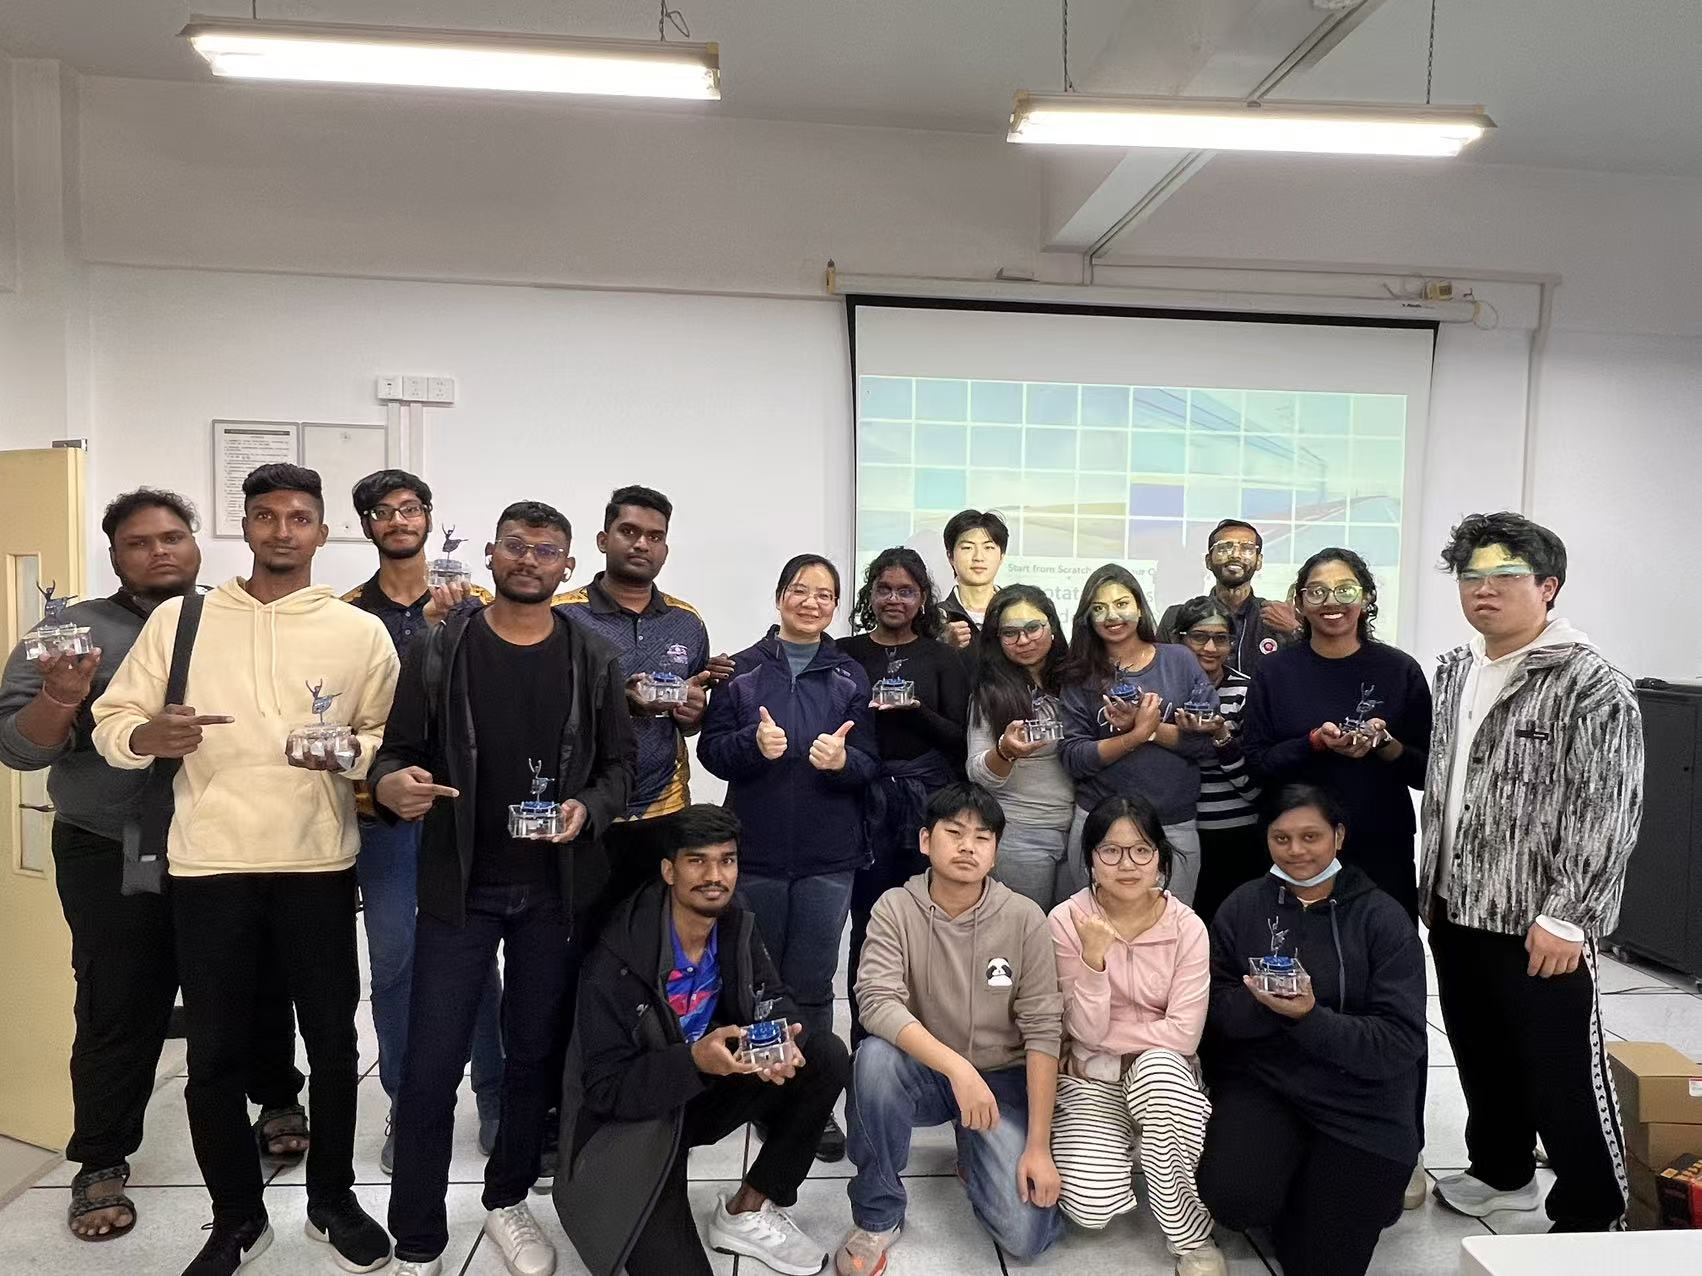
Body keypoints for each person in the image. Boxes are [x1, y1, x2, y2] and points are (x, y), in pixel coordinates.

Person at [92, 463, 398, 1276]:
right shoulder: (183, 620)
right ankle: (235, 1217)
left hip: (317, 859)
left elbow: (381, 735)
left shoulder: (358, 631)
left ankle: (333, 1200)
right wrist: (147, 737)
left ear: (322, 532)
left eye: (299, 518)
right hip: (209, 862)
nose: (282, 531)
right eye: (266, 516)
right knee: (215, 1053)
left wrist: (348, 751)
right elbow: (112, 720)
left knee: (333, 1043)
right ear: (246, 527)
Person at [0, 489, 303, 1244]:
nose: (159, 552)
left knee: (259, 979)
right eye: (138, 542)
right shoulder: (69, 633)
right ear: (114, 556)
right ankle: (101, 1158)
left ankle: (277, 1100)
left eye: (172, 537)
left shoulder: (239, 618)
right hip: (110, 846)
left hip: (232, 841)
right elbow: (20, 749)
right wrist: (63, 697)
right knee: (119, 1000)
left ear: (196, 545)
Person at [369, 499, 635, 1276]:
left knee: (533, 1057)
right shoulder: (440, 648)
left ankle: (506, 1199)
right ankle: (417, 1233)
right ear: (490, 554)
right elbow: (395, 754)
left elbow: (619, 768)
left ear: (568, 567)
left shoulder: (594, 658)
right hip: (460, 887)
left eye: (545, 551)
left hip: (554, 890)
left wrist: (589, 810)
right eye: (516, 546)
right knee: (430, 1064)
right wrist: (392, 785)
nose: (529, 559)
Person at [1421, 513, 1643, 1231]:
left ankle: (1592, 1210)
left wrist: (1568, 916)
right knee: (1480, 1052)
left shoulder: (1589, 682)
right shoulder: (1456, 669)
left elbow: (1609, 808)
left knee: (1561, 1072)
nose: (1483, 590)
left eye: (1505, 576)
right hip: (1456, 904)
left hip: (1539, 920)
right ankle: (1502, 1171)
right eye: (1471, 577)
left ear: (1548, 586)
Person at [555, 804, 851, 1276]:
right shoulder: (617, 958)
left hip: (703, 1085)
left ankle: (748, 1207)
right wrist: (693, 1061)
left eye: (726, 860)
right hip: (637, 1122)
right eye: (698, 861)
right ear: (669, 871)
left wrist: (785, 1032)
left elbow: (770, 993)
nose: (715, 876)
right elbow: (605, 1090)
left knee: (823, 1055)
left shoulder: (735, 920)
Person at [341, 468, 504, 1171]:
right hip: (386, 815)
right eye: (383, 512)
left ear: (429, 517)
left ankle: (496, 1100)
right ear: (366, 526)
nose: (399, 520)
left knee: (480, 964)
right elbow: (344, 708)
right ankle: (408, 1104)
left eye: (410, 508)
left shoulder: (481, 603)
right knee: (397, 966)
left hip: (469, 812)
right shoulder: (348, 615)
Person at [1197, 785, 1427, 1276]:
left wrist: (1309, 1016)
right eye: (1281, 838)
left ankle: (1328, 1195)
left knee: (1323, 1263)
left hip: (1360, 1098)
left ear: (1338, 837)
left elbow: (1400, 1041)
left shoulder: (1382, 919)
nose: (1296, 851)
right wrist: (1263, 1004)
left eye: (1311, 836)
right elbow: (1212, 1012)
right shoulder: (1243, 906)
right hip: (1267, 1083)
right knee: (1234, 1197)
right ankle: (1286, 1184)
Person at [838, 782, 1064, 1274]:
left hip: (1002, 1081)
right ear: (925, 840)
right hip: (927, 1072)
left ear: (996, 852)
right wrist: (958, 1070)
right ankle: (878, 1214)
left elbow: (1044, 1028)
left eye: (982, 837)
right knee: (873, 1059)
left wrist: (1038, 1146)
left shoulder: (1024, 917)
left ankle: (976, 1149)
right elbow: (876, 1001)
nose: (967, 847)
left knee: (1026, 1238)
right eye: (954, 833)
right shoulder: (895, 907)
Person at [699, 553, 878, 1162]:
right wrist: (752, 744)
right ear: (780, 597)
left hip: (829, 857)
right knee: (756, 984)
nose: (811, 602)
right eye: (800, 590)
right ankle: (758, 1091)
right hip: (757, 854)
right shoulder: (741, 670)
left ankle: (809, 1099)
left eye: (824, 595)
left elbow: (870, 762)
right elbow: (712, 752)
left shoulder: (850, 674)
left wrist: (843, 763)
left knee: (813, 984)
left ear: (835, 607)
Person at [1047, 795, 1223, 1276]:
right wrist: (1093, 960)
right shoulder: (1065, 921)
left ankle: (1190, 1235)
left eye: (1141, 850)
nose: (1127, 864)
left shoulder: (1187, 927)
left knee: (1160, 1073)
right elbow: (1081, 1027)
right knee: (1090, 1207)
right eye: (1110, 850)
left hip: (1159, 1071)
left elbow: (1183, 1037)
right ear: (1090, 858)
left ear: (1160, 858)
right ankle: (1132, 1141)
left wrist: (1105, 1042)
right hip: (1090, 1080)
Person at [557, 484, 734, 910]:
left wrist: (694, 713)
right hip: (583, 805)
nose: (641, 544)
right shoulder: (561, 615)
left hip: (663, 807)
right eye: (629, 531)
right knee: (578, 935)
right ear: (603, 540)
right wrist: (622, 701)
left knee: (655, 935)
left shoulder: (687, 621)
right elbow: (544, 707)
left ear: (665, 550)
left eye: (655, 536)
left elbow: (689, 716)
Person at [1239, 548, 1432, 919]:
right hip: (1297, 848)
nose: (1331, 602)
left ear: (1366, 598)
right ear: (1299, 603)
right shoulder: (1275, 672)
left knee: (1384, 945)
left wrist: (1384, 744)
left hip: (1380, 842)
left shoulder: (1399, 670)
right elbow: (1257, 763)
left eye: (1345, 590)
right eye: (1317, 592)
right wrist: (1313, 742)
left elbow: (1426, 772)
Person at [839, 547, 969, 1040]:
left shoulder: (942, 657)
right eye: (885, 589)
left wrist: (916, 712)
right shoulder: (847, 653)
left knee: (928, 923)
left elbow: (959, 738)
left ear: (923, 599)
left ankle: (927, 1043)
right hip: (863, 804)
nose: (894, 599)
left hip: (927, 804)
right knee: (868, 923)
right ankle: (865, 1040)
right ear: (870, 595)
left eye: (906, 591)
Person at [1057, 564, 1217, 906]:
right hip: (1100, 825)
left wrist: (1148, 729)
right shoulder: (1079, 673)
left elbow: (1204, 744)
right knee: (1096, 929)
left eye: (1121, 604)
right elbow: (1074, 758)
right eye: (1099, 608)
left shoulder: (1179, 660)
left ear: (1140, 607)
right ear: (1087, 618)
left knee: (1171, 930)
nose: (1112, 616)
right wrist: (1134, 735)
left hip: (1172, 825)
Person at [965, 584, 1078, 911]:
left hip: (1080, 828)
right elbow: (977, 772)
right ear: (997, 640)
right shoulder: (988, 693)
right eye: (1010, 633)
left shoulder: (1076, 681)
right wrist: (1006, 752)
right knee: (1025, 932)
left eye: (1033, 628)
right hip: (1020, 832)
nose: (1024, 640)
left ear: (1052, 627)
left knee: (1068, 933)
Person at [1170, 595, 1263, 923]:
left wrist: (1221, 737)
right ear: (1178, 639)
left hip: (1234, 835)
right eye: (1199, 637)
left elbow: (1254, 787)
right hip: (1173, 830)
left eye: (1221, 639)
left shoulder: (1246, 691)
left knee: (1228, 929)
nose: (1210, 648)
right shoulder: (1163, 690)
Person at [1157, 519, 1302, 675]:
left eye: (1247, 548)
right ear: (1208, 561)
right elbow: (1158, 673)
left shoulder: (1279, 616)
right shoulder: (1175, 617)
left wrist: (1295, 630)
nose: (1235, 555)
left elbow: (1308, 669)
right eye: (1224, 548)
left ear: (1259, 561)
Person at [939, 509, 1008, 650]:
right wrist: (942, 646)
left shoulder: (1016, 612)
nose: (978, 557)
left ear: (1001, 556)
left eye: (988, 547)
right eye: (967, 548)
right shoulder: (934, 619)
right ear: (950, 556)